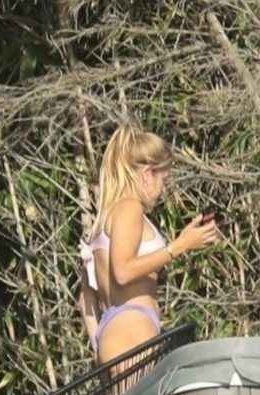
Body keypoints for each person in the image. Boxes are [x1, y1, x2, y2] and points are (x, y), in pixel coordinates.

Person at [78, 124, 219, 366]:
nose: (163, 189)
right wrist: (179, 246)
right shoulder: (128, 207)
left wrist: (99, 342)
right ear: (147, 175)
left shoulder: (105, 217)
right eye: (163, 180)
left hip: (117, 333)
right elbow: (122, 272)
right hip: (132, 330)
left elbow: (84, 297)